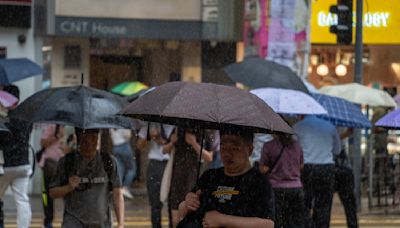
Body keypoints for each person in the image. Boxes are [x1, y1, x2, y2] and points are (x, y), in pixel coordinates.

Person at [177, 128, 275, 228]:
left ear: (249, 149)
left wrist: (222, 220)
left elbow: (268, 224)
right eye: (223, 146)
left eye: (235, 148)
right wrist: (187, 204)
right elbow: (182, 211)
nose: (227, 154)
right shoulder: (210, 176)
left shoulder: (259, 182)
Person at [49, 128, 125, 228]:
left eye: (93, 139)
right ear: (78, 140)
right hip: (73, 222)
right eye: (85, 140)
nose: (89, 145)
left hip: (101, 223)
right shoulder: (67, 162)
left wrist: (121, 223)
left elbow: (117, 194)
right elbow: (52, 193)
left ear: (98, 139)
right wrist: (68, 187)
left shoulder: (108, 161)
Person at [293, 115, 341, 228]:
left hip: (306, 169)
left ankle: (307, 225)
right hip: (326, 169)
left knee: (304, 204)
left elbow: (293, 149)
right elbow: (337, 150)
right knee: (324, 206)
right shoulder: (330, 126)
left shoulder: (297, 127)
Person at [168, 128, 219, 227]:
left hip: (194, 178)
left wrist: (194, 143)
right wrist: (172, 141)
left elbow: (209, 157)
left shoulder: (206, 131)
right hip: (177, 178)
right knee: (175, 217)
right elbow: (164, 150)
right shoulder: (179, 128)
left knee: (190, 215)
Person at [0, 85, 32, 228]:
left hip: (5, 166)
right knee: (22, 200)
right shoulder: (26, 117)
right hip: (23, 165)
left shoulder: (4, 119)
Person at [259, 133, 305, 228]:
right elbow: (301, 165)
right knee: (294, 222)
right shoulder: (296, 145)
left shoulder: (269, 145)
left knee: (276, 221)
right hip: (296, 188)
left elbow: (263, 169)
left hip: (276, 189)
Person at [136, 123, 176, 228]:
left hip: (171, 164)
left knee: (173, 203)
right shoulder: (150, 124)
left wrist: (172, 142)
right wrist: (149, 136)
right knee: (155, 204)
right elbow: (139, 145)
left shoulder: (176, 127)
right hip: (155, 164)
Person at [38, 124, 68, 228]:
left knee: (67, 193)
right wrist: (56, 136)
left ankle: (68, 220)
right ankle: (48, 221)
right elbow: (42, 142)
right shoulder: (51, 125)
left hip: (63, 164)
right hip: (49, 164)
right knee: (47, 193)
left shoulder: (70, 125)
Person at [335, 127, 358, 228]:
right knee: (349, 206)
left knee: (322, 206)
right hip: (341, 168)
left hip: (330, 167)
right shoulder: (341, 117)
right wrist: (345, 134)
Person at [110, 128, 136, 199]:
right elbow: (128, 135)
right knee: (132, 169)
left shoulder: (111, 122)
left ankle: (118, 188)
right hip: (124, 145)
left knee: (120, 170)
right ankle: (125, 187)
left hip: (115, 146)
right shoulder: (123, 120)